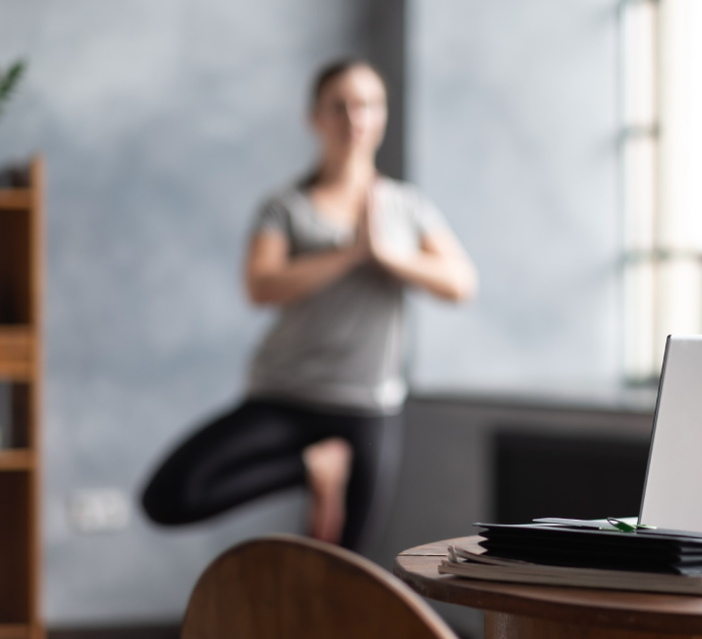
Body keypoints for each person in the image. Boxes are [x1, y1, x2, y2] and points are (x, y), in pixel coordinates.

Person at [141, 60, 477, 549]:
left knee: (347, 569)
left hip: (368, 408)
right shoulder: (285, 207)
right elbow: (261, 285)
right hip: (285, 396)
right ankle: (313, 467)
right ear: (315, 118)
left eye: (366, 105)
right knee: (170, 496)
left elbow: (460, 284)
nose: (353, 118)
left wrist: (388, 256)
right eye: (338, 106)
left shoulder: (408, 208)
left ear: (381, 116)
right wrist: (350, 253)